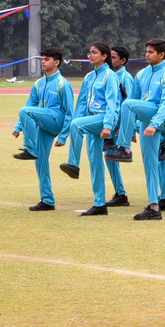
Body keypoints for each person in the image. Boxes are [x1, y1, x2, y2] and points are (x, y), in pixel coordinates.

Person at [104, 38, 165, 220]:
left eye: (150, 52)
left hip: (164, 117)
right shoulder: (141, 74)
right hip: (147, 119)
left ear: (161, 55)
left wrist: (155, 124)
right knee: (150, 163)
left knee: (129, 105)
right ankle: (154, 208)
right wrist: (131, 129)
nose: (146, 54)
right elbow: (133, 101)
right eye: (146, 51)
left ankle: (124, 149)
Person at [59, 42, 122, 215]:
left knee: (76, 125)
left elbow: (113, 103)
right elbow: (81, 104)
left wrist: (108, 126)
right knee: (95, 163)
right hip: (91, 120)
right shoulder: (88, 77)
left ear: (104, 56)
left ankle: (73, 165)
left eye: (94, 53)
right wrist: (77, 123)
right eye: (89, 53)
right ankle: (100, 204)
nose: (90, 55)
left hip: (103, 119)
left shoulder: (110, 75)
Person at [13, 47, 75, 211]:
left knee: (25, 112)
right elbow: (30, 105)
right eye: (42, 59)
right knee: (40, 161)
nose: (43, 62)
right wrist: (18, 126)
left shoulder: (63, 84)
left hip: (56, 121)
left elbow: (70, 113)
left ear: (56, 62)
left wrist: (63, 137)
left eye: (46, 59)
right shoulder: (38, 83)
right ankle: (47, 200)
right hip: (43, 122)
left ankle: (30, 148)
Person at [105, 45, 139, 207]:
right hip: (109, 123)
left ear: (123, 60)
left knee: (111, 157)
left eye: (113, 57)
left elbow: (129, 103)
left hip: (117, 125)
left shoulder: (125, 77)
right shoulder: (110, 75)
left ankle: (121, 194)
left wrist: (126, 128)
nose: (110, 60)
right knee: (109, 158)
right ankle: (120, 193)